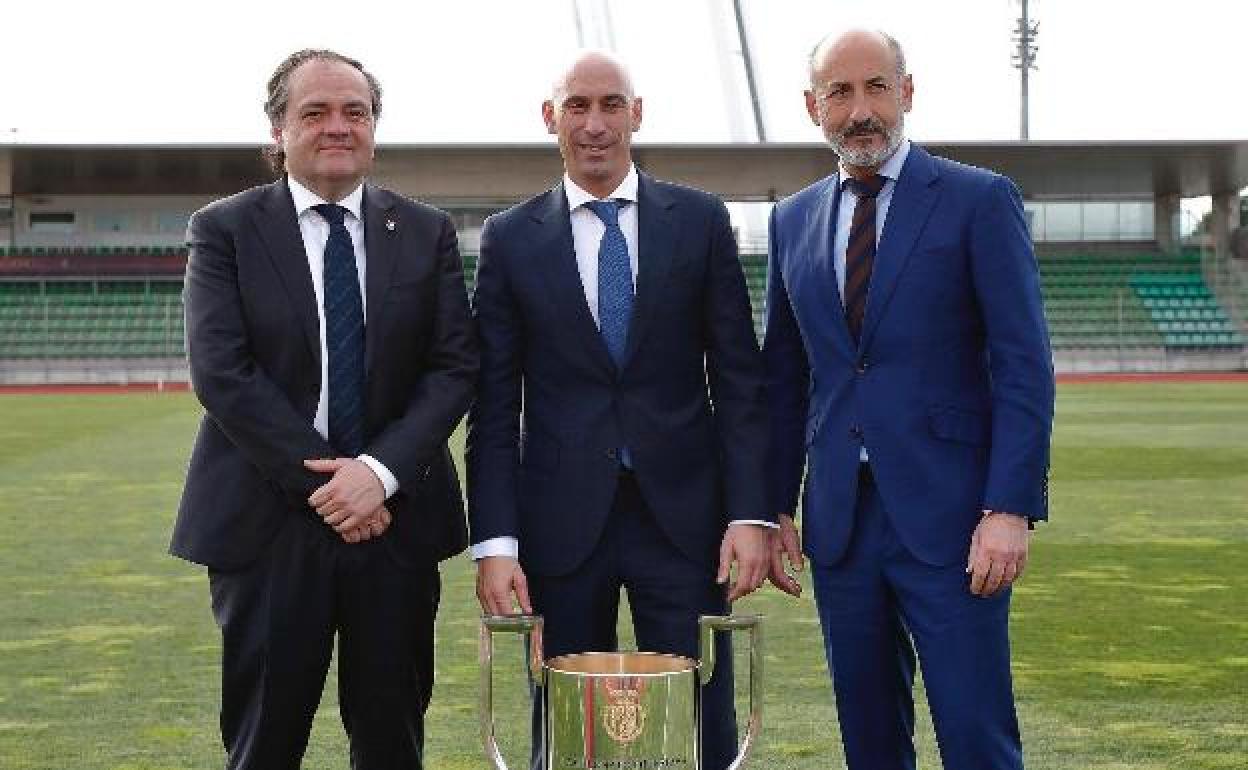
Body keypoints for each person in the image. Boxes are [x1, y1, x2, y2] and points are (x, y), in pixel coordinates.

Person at [169, 49, 477, 770]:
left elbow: (454, 365)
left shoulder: (426, 231)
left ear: (374, 127)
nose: (338, 126)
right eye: (315, 112)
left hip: (394, 528)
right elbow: (223, 373)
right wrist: (333, 487)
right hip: (268, 531)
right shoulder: (224, 229)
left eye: (355, 112)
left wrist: (379, 472)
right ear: (278, 130)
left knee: (392, 740)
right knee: (265, 742)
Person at [467, 50, 771, 770]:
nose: (595, 124)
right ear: (551, 118)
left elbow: (738, 381)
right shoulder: (509, 240)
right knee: (565, 720)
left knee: (703, 715)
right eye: (578, 106)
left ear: (638, 113)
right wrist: (497, 546)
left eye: (611, 105)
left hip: (686, 523)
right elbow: (492, 403)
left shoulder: (698, 221)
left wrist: (750, 512)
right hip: (560, 525)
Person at [763, 29, 1055, 770]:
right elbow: (785, 378)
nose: (861, 110)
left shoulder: (978, 200)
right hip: (842, 529)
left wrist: (1009, 508)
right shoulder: (790, 220)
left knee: (976, 737)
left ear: (907, 92)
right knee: (869, 744)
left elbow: (1023, 366)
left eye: (876, 87)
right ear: (812, 106)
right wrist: (773, 507)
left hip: (956, 525)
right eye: (840, 92)